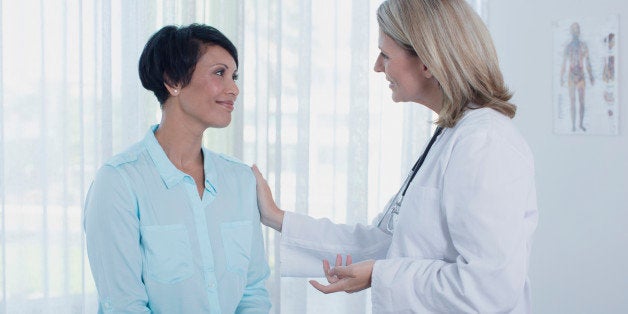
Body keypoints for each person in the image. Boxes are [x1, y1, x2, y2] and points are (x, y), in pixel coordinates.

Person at [252, 0, 538, 313]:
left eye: (386, 55)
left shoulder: (484, 143)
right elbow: (386, 244)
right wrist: (275, 217)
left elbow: (488, 288)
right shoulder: (452, 135)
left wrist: (380, 274)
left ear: (427, 62)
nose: (377, 66)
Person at [84, 24, 271, 313]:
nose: (234, 89)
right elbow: (123, 305)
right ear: (173, 80)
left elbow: (254, 292)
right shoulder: (119, 182)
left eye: (233, 76)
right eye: (219, 73)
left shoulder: (241, 180)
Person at [560, 22, 594, 132]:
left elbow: (588, 62)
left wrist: (591, 75)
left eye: (577, 29)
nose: (575, 32)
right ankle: (573, 125)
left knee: (582, 101)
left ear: (579, 32)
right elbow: (564, 64)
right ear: (571, 32)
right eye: (573, 30)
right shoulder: (568, 47)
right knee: (572, 101)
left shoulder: (583, 46)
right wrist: (561, 76)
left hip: (580, 76)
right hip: (571, 76)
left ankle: (580, 124)